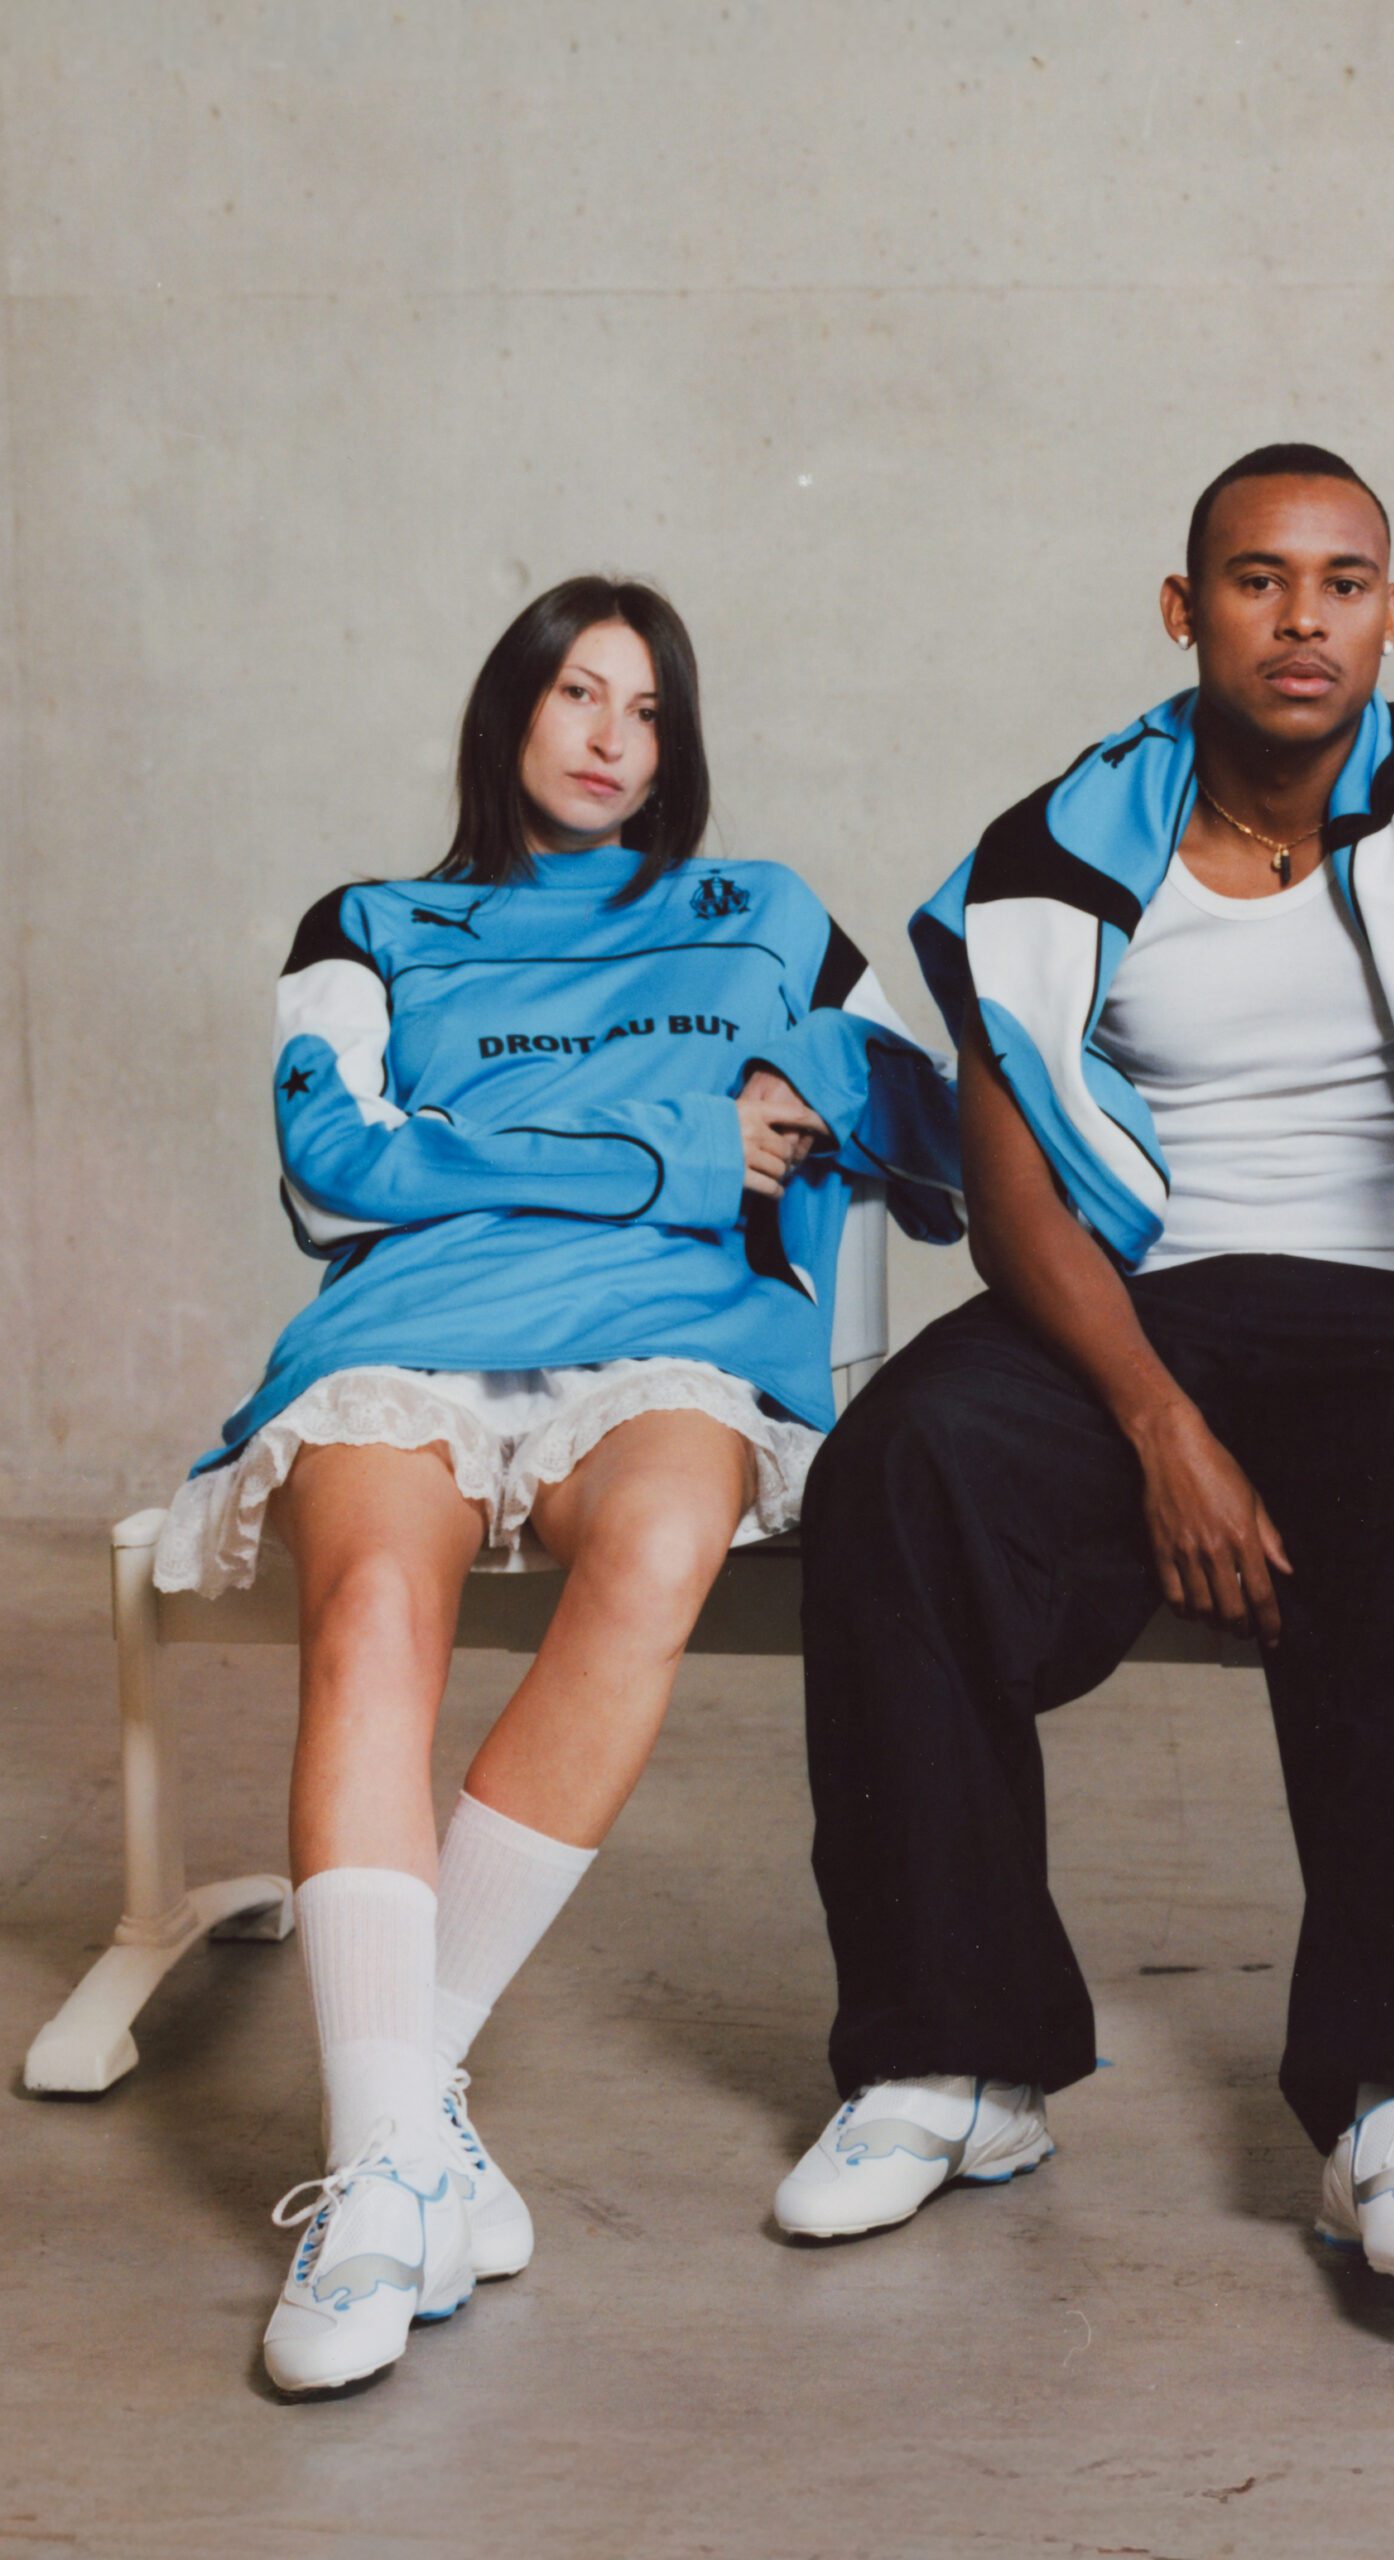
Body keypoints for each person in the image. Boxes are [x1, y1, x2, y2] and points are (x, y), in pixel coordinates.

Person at [776, 444, 1394, 2306]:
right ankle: (949, 2058)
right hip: (1155, 1299)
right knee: (904, 1464)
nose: (1304, 620)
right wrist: (1163, 1427)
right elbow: (1013, 1203)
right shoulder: (1058, 853)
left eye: (1343, 583)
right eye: (1257, 579)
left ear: (1392, 613)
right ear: (1183, 608)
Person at [161, 576, 963, 2395]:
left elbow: (927, 1147)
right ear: (510, 709)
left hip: (672, 1339)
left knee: (666, 1539)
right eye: (579, 694)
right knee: (375, 1602)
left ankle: (393, 2131)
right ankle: (393, 2174)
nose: (613, 737)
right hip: (416, 1326)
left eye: (650, 709)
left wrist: (839, 1080)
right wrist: (684, 1141)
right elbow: (338, 1173)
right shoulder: (372, 923)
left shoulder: (766, 919)